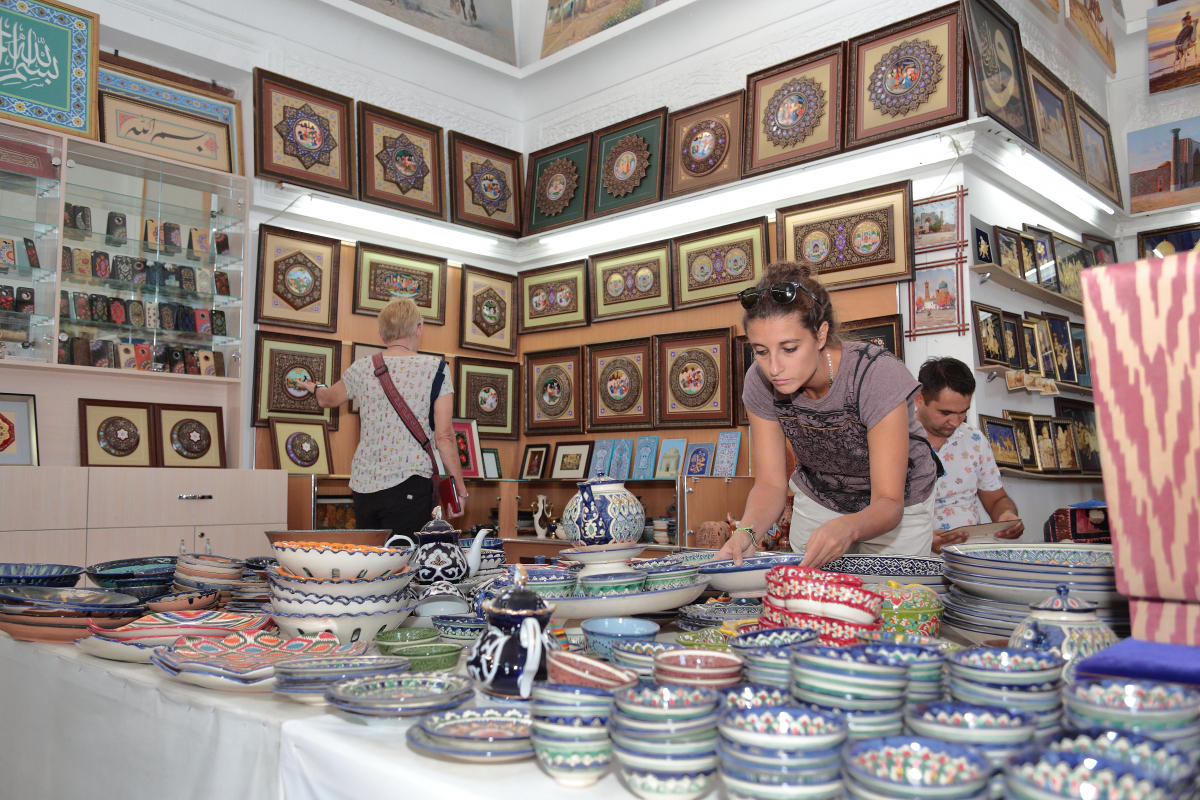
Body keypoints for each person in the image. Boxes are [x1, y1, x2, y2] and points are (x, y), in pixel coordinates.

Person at [714, 262, 941, 568]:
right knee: (807, 593)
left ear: (820, 335)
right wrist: (746, 533)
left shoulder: (876, 375)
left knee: (887, 595)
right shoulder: (760, 381)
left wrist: (848, 527)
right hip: (822, 498)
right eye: (761, 351)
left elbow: (889, 501)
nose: (774, 368)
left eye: (789, 349)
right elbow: (770, 484)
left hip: (898, 504)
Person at [297, 298, 466, 547]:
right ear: (419, 329)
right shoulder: (436, 369)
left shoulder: (362, 368)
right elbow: (444, 437)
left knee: (372, 562)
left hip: (364, 488)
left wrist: (315, 387)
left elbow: (326, 399)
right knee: (405, 562)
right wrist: (459, 489)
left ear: (381, 334)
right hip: (410, 483)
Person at [914, 357, 1024, 554]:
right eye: (946, 413)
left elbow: (997, 499)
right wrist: (923, 540)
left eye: (963, 412)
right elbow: (880, 509)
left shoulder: (974, 439)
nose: (956, 422)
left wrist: (1006, 516)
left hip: (972, 553)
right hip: (915, 554)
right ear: (919, 399)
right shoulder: (896, 440)